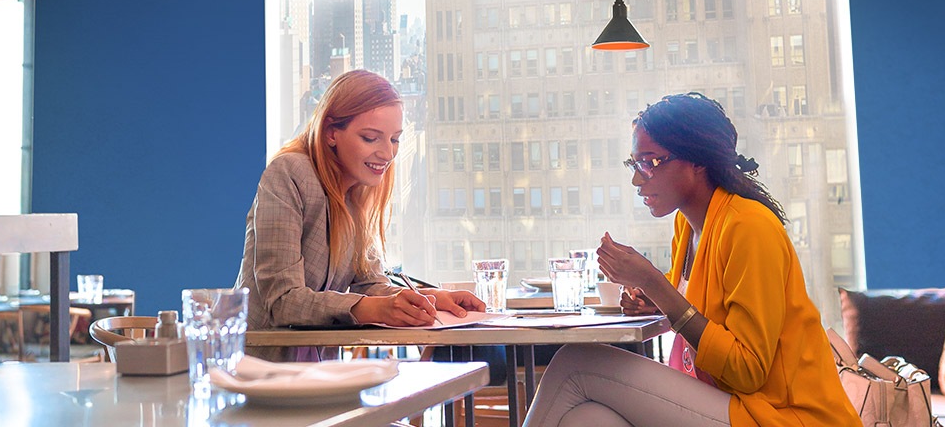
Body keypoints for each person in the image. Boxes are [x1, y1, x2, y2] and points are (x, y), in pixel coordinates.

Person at [523, 92, 861, 427]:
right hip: (733, 405)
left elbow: (748, 371)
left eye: (650, 162)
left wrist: (653, 282)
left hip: (782, 416)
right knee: (587, 419)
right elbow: (701, 308)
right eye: (634, 164)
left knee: (576, 363)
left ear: (698, 161)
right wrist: (652, 298)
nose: (637, 179)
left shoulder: (749, 227)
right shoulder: (687, 226)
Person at [235, 68, 481, 359]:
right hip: (260, 368)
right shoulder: (290, 173)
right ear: (331, 133)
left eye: (394, 139)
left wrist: (429, 299)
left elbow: (370, 284)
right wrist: (373, 308)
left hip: (318, 373)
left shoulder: (360, 190)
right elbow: (283, 302)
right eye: (370, 138)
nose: (387, 154)